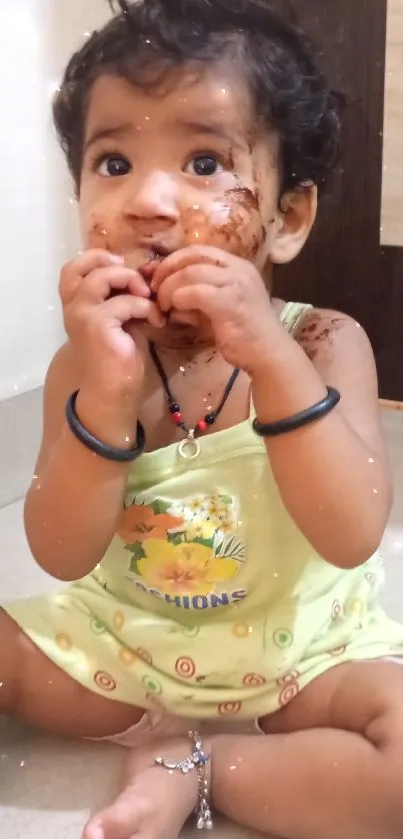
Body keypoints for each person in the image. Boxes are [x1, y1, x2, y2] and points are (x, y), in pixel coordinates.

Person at [2, 0, 403, 837]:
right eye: (112, 161)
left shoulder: (324, 341)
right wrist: (103, 401)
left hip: (300, 660)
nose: (149, 200)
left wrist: (271, 360)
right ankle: (168, 732)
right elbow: (59, 549)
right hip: (126, 650)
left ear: (287, 217)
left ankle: (201, 763)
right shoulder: (86, 362)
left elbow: (353, 531)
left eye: (201, 160)